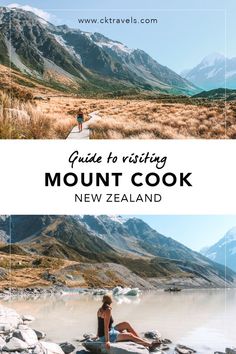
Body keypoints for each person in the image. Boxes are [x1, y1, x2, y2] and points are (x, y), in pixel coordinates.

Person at [97, 294, 161, 352]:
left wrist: (97, 335)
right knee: (130, 335)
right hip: (106, 335)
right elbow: (105, 326)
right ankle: (150, 345)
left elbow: (99, 325)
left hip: (110, 330)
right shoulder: (108, 310)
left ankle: (140, 340)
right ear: (110, 301)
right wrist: (107, 341)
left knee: (125, 324)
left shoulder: (99, 310)